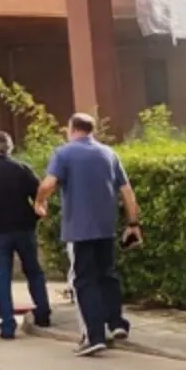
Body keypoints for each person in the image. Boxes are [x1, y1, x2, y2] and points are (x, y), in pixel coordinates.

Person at [35, 113, 141, 357]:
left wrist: (40, 201)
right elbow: (127, 192)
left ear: (71, 128)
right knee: (107, 274)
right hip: (106, 227)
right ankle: (116, 323)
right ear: (92, 130)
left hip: (79, 229)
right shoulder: (109, 154)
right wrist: (133, 223)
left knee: (84, 280)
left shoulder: (64, 153)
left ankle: (93, 336)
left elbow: (49, 184)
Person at [0, 131, 52, 340]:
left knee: (2, 277)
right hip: (23, 228)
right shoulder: (21, 169)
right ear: (9, 148)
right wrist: (36, 216)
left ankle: (7, 325)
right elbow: (39, 195)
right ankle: (42, 312)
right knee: (33, 271)